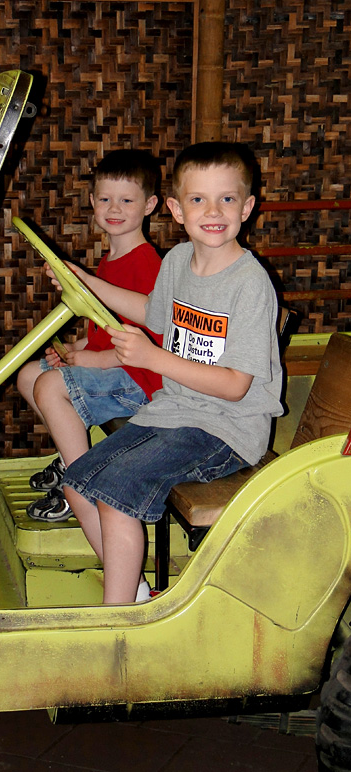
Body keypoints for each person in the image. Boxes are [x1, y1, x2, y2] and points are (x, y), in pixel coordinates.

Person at [55, 141, 284, 604]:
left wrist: (155, 359)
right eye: (199, 199)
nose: (213, 211)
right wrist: (84, 280)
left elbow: (236, 386)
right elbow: (152, 313)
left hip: (225, 427)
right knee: (76, 482)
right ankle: (136, 594)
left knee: (117, 490)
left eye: (227, 199)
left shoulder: (250, 284)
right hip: (173, 411)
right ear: (178, 210)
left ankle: (117, 620)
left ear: (248, 207)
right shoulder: (178, 261)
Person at [17, 149, 164, 523]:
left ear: (149, 205)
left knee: (51, 387)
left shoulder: (148, 264)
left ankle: (80, 482)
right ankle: (71, 458)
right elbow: (106, 326)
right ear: (93, 202)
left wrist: (92, 360)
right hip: (113, 368)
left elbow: (147, 340)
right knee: (30, 375)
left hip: (139, 380)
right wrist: (77, 349)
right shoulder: (108, 260)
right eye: (105, 199)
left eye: (126, 200)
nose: (114, 208)